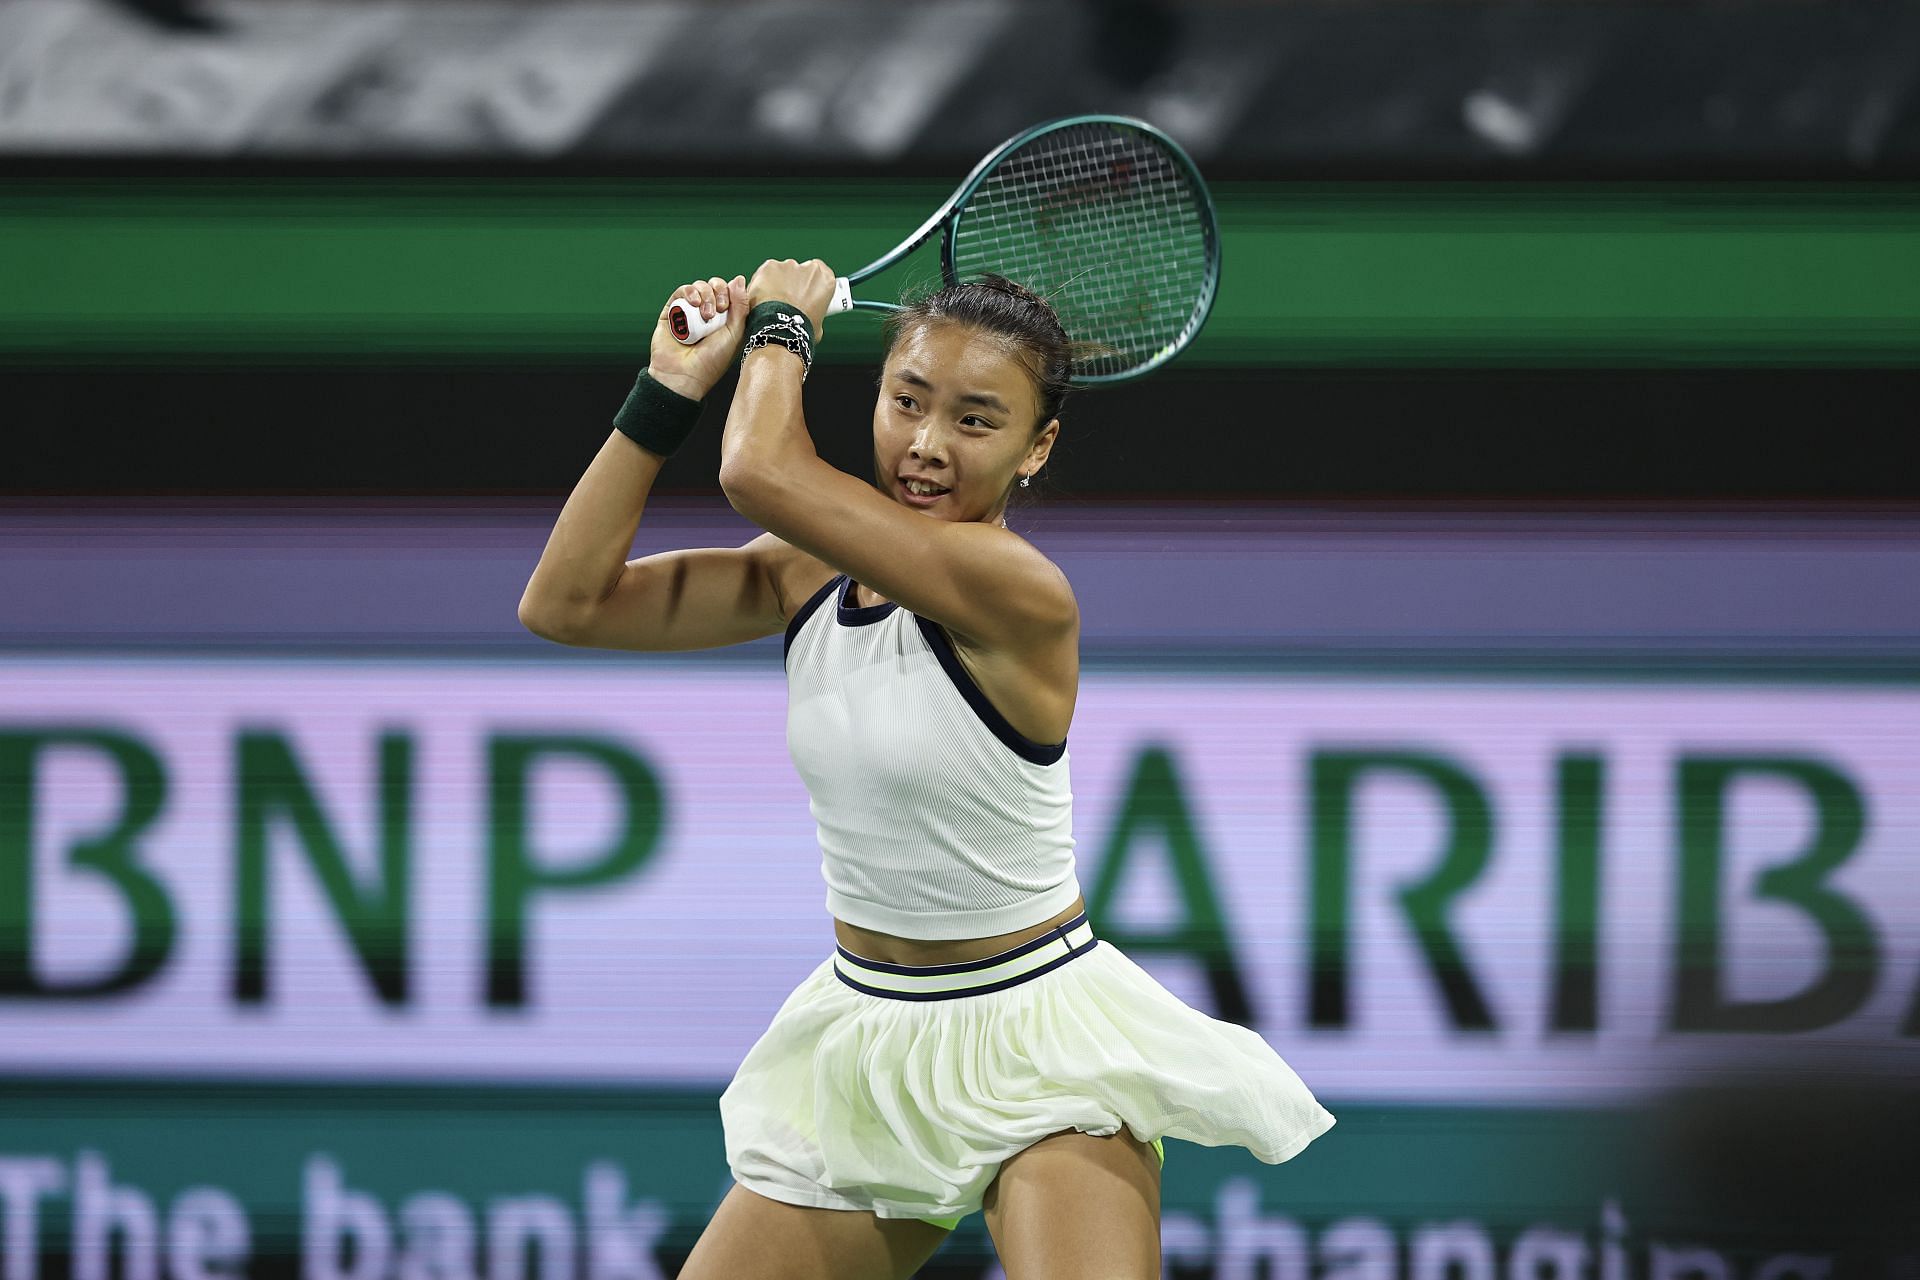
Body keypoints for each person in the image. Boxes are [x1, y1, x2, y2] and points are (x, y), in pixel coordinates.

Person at [518, 259, 1336, 1280]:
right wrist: (669, 390)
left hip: (1040, 1038)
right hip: (867, 1037)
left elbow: (756, 469)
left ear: (1038, 447)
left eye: (975, 419)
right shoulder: (805, 573)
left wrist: (781, 329)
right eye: (907, 400)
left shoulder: (1018, 590)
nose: (926, 444)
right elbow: (567, 602)